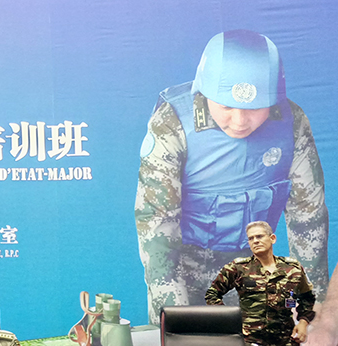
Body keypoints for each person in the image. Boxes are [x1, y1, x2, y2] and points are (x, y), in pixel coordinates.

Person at [135, 29, 328, 326]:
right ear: (204, 93)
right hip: (181, 274)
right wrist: (176, 318)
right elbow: (157, 226)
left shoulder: (291, 124)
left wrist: (311, 310)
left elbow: (308, 219)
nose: (239, 121)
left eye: (254, 108)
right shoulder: (172, 124)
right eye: (226, 106)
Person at [205, 221, 315, 346]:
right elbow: (212, 294)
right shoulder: (238, 268)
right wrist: (231, 323)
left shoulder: (292, 268)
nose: (255, 241)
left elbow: (307, 298)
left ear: (272, 238)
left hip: (285, 342)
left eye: (259, 236)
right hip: (250, 342)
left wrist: (303, 322)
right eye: (251, 238)